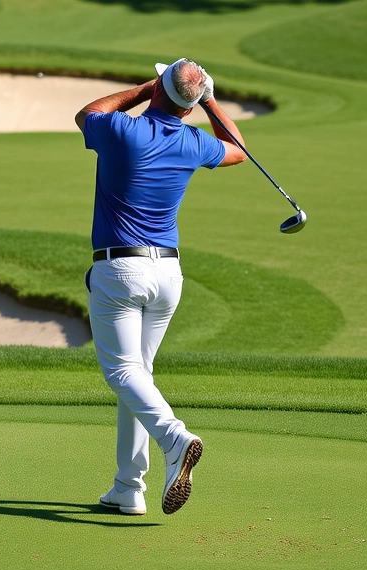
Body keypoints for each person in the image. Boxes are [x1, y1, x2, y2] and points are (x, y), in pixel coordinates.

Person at [75, 58, 247, 515]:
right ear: (188, 108)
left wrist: (141, 88)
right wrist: (207, 98)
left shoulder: (122, 131)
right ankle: (129, 487)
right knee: (140, 378)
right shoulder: (193, 141)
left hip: (120, 271)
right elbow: (237, 148)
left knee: (122, 374)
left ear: (158, 90)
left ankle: (176, 438)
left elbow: (86, 114)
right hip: (168, 276)